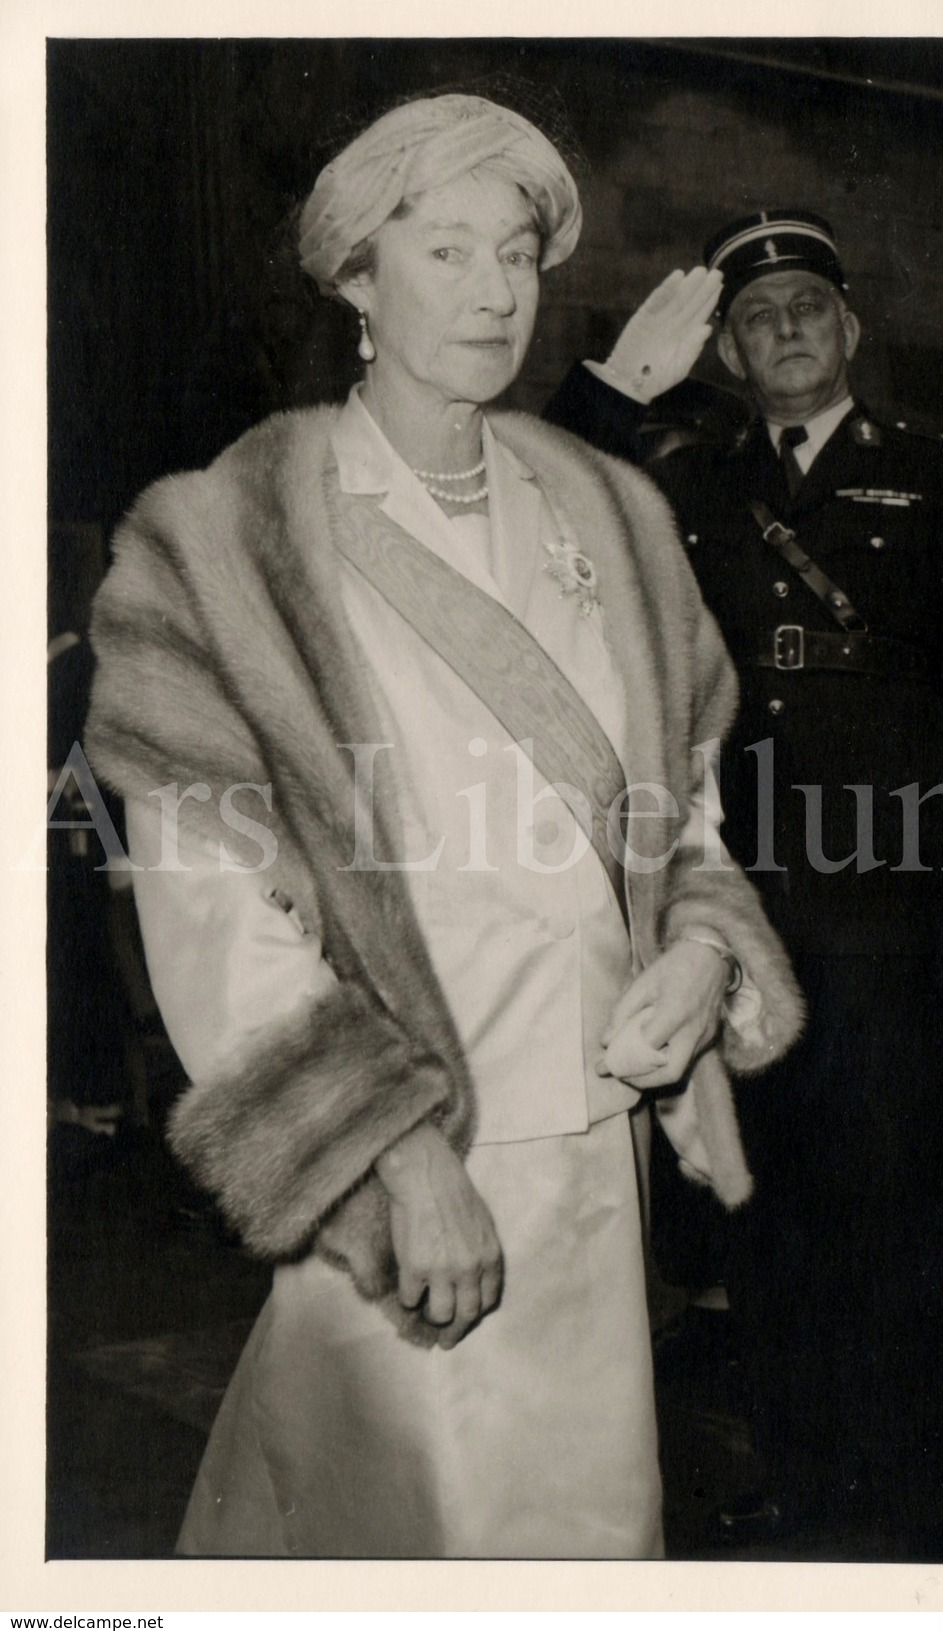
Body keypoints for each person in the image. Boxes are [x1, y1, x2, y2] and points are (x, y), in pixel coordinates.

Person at [84, 101, 803, 1560]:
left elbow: (683, 822)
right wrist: (396, 1158)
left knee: (582, 1535)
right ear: (357, 277)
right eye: (446, 248)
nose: (492, 291)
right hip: (405, 1153)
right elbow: (211, 903)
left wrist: (701, 957)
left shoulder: (612, 515)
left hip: (592, 1150)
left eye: (519, 255)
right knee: (397, 1522)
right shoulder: (223, 541)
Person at [545, 210, 943, 1556]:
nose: (785, 326)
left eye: (808, 304)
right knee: (768, 1213)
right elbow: (554, 494)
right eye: (755, 317)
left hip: (898, 904)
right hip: (741, 912)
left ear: (851, 329)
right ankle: (803, 1482)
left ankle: (927, 1498)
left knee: (902, 1208)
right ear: (725, 356)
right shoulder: (693, 479)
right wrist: (606, 390)